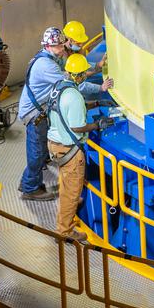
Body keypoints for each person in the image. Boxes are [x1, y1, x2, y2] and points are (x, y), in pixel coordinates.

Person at [17, 26, 112, 201]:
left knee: (40, 150)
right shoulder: (47, 66)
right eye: (60, 46)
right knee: (36, 152)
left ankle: (28, 181)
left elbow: (73, 71)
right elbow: (74, 82)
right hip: (34, 114)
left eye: (63, 45)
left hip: (41, 110)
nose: (63, 49)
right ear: (48, 46)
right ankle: (30, 188)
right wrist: (100, 88)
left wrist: (96, 67)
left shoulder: (52, 57)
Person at [46, 53, 103, 242]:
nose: (86, 74)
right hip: (69, 149)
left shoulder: (59, 87)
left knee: (66, 186)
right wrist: (98, 125)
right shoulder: (75, 96)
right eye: (84, 72)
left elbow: (66, 109)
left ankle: (65, 218)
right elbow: (77, 127)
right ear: (78, 75)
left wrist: (94, 103)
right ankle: (65, 232)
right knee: (71, 192)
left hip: (54, 143)